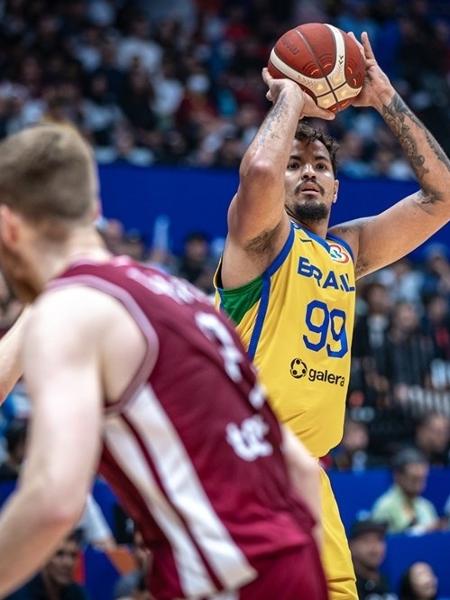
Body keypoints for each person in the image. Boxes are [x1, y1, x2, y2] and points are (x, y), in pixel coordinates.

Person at [0, 124, 328, 600]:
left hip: (229, 579)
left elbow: (53, 501)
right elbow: (297, 466)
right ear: (92, 212)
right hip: (292, 569)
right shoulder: (182, 297)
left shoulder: (68, 312)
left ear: (8, 227)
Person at [214, 31, 450, 600]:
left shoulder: (348, 251)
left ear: (338, 187)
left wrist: (385, 97)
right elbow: (259, 175)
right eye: (297, 164)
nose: (309, 172)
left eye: (320, 163)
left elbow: (442, 196)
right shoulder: (258, 242)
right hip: (250, 465)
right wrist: (293, 94)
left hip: (312, 477)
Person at [6, 530, 89, 600]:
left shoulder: (77, 593)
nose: (68, 562)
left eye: (73, 555)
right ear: (42, 557)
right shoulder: (17, 593)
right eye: (59, 554)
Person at [372, 448, 439, 534]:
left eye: (422, 479)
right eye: (414, 479)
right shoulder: (385, 507)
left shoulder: (426, 506)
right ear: (397, 476)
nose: (419, 485)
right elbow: (379, 541)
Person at [348, 519, 395, 600]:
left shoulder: (385, 582)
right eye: (367, 540)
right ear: (351, 546)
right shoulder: (348, 585)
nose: (374, 548)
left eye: (379, 540)